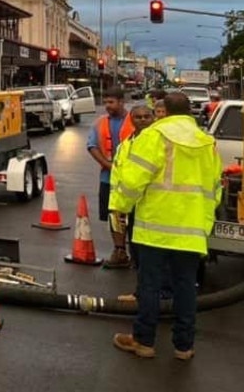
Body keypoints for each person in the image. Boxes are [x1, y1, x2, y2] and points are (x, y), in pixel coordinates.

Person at [109, 91, 223, 360]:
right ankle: (184, 346)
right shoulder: (207, 142)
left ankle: (144, 342)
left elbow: (133, 180)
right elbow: (214, 189)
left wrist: (121, 207)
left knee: (149, 286)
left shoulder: (153, 136)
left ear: (165, 112)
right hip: (191, 230)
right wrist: (204, 224)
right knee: (185, 288)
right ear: (189, 113)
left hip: (154, 228)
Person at [87, 87, 135, 267]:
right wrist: (108, 166)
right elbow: (92, 146)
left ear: (121, 102)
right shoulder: (100, 123)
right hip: (109, 179)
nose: (107, 106)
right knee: (114, 216)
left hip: (133, 180)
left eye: (111, 102)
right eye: (105, 102)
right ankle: (120, 250)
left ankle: (136, 252)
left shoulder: (135, 120)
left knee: (133, 216)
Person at [107, 104, 155, 269]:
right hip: (126, 204)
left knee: (147, 256)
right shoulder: (125, 145)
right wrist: (117, 204)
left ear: (153, 118)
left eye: (146, 116)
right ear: (131, 120)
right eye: (138, 117)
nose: (142, 120)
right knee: (136, 251)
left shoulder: (158, 142)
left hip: (148, 206)